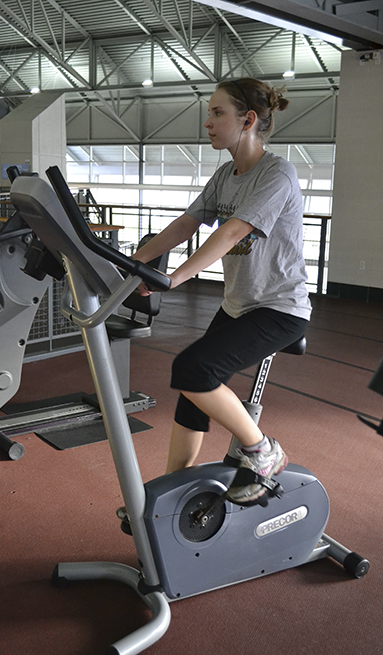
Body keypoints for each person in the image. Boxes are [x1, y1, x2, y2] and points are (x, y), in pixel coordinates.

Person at [130, 77, 311, 504]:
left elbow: (231, 232)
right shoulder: (225, 174)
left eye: (217, 113)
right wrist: (136, 262)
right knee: (194, 391)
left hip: (279, 309)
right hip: (238, 306)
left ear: (247, 120)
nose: (207, 122)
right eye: (209, 113)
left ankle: (262, 451)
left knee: (193, 370)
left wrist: (175, 278)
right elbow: (186, 223)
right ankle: (172, 489)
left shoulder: (277, 173)